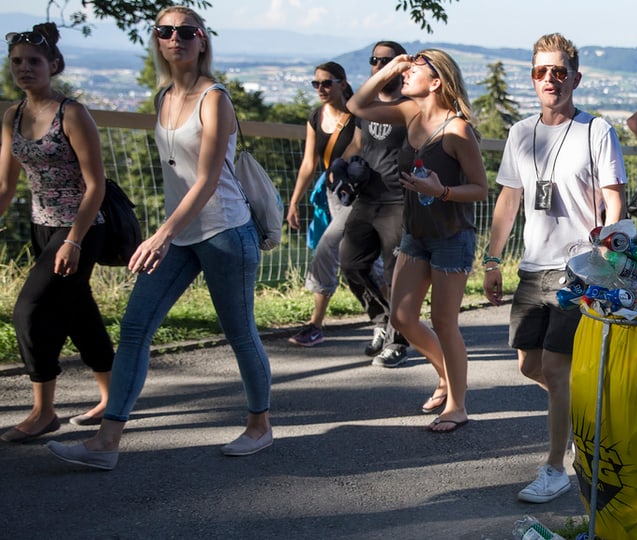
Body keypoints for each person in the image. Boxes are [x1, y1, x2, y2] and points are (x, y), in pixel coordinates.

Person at [48, 6, 272, 470]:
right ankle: (107, 443)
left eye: (187, 31)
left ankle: (259, 427)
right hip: (180, 234)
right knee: (135, 328)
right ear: (158, 41)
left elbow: (208, 180)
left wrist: (160, 234)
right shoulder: (163, 96)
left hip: (225, 231)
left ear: (202, 40)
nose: (176, 38)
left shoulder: (215, 98)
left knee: (240, 333)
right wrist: (170, 233)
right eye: (166, 31)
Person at [482, 33, 626, 503]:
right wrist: (491, 257)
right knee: (529, 364)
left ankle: (555, 467)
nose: (550, 79)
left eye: (559, 71)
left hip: (579, 270)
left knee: (558, 370)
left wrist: (610, 253)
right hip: (531, 268)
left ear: (575, 78)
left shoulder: (595, 130)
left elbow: (613, 198)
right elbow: (508, 198)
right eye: (542, 71)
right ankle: (585, 407)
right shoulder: (520, 132)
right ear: (532, 77)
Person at [347, 48, 487, 432]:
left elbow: (480, 188)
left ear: (437, 81)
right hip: (416, 234)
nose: (406, 74)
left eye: (415, 69)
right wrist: (391, 67)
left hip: (450, 238)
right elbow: (358, 105)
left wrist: (441, 190)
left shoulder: (457, 130)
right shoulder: (409, 113)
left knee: (444, 322)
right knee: (402, 317)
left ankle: (457, 405)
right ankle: (446, 375)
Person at [0, 23, 113, 442]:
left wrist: (73, 240)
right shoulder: (13, 115)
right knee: (78, 313)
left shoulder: (72, 113)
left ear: (53, 65)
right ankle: (112, 397)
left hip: (80, 228)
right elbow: (6, 185)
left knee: (29, 310)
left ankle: (43, 410)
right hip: (41, 227)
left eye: (34, 61)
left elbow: (96, 184)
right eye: (17, 62)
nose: (24, 69)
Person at [285, 61, 372, 347]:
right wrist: (295, 201)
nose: (321, 89)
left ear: (342, 84)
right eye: (316, 84)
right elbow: (309, 162)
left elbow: (355, 149)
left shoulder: (358, 115)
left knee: (327, 250)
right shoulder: (316, 117)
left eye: (327, 83)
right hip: (332, 194)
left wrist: (340, 165)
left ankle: (316, 323)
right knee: (363, 259)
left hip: (357, 194)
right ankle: (391, 320)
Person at [339, 40, 413, 370]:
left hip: (398, 201)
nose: (380, 65)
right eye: (375, 60)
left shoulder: (410, 107)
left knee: (397, 275)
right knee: (351, 263)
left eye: (388, 60)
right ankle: (381, 319)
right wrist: (341, 170)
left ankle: (398, 341)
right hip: (366, 199)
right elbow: (358, 143)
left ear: (401, 67)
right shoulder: (367, 109)